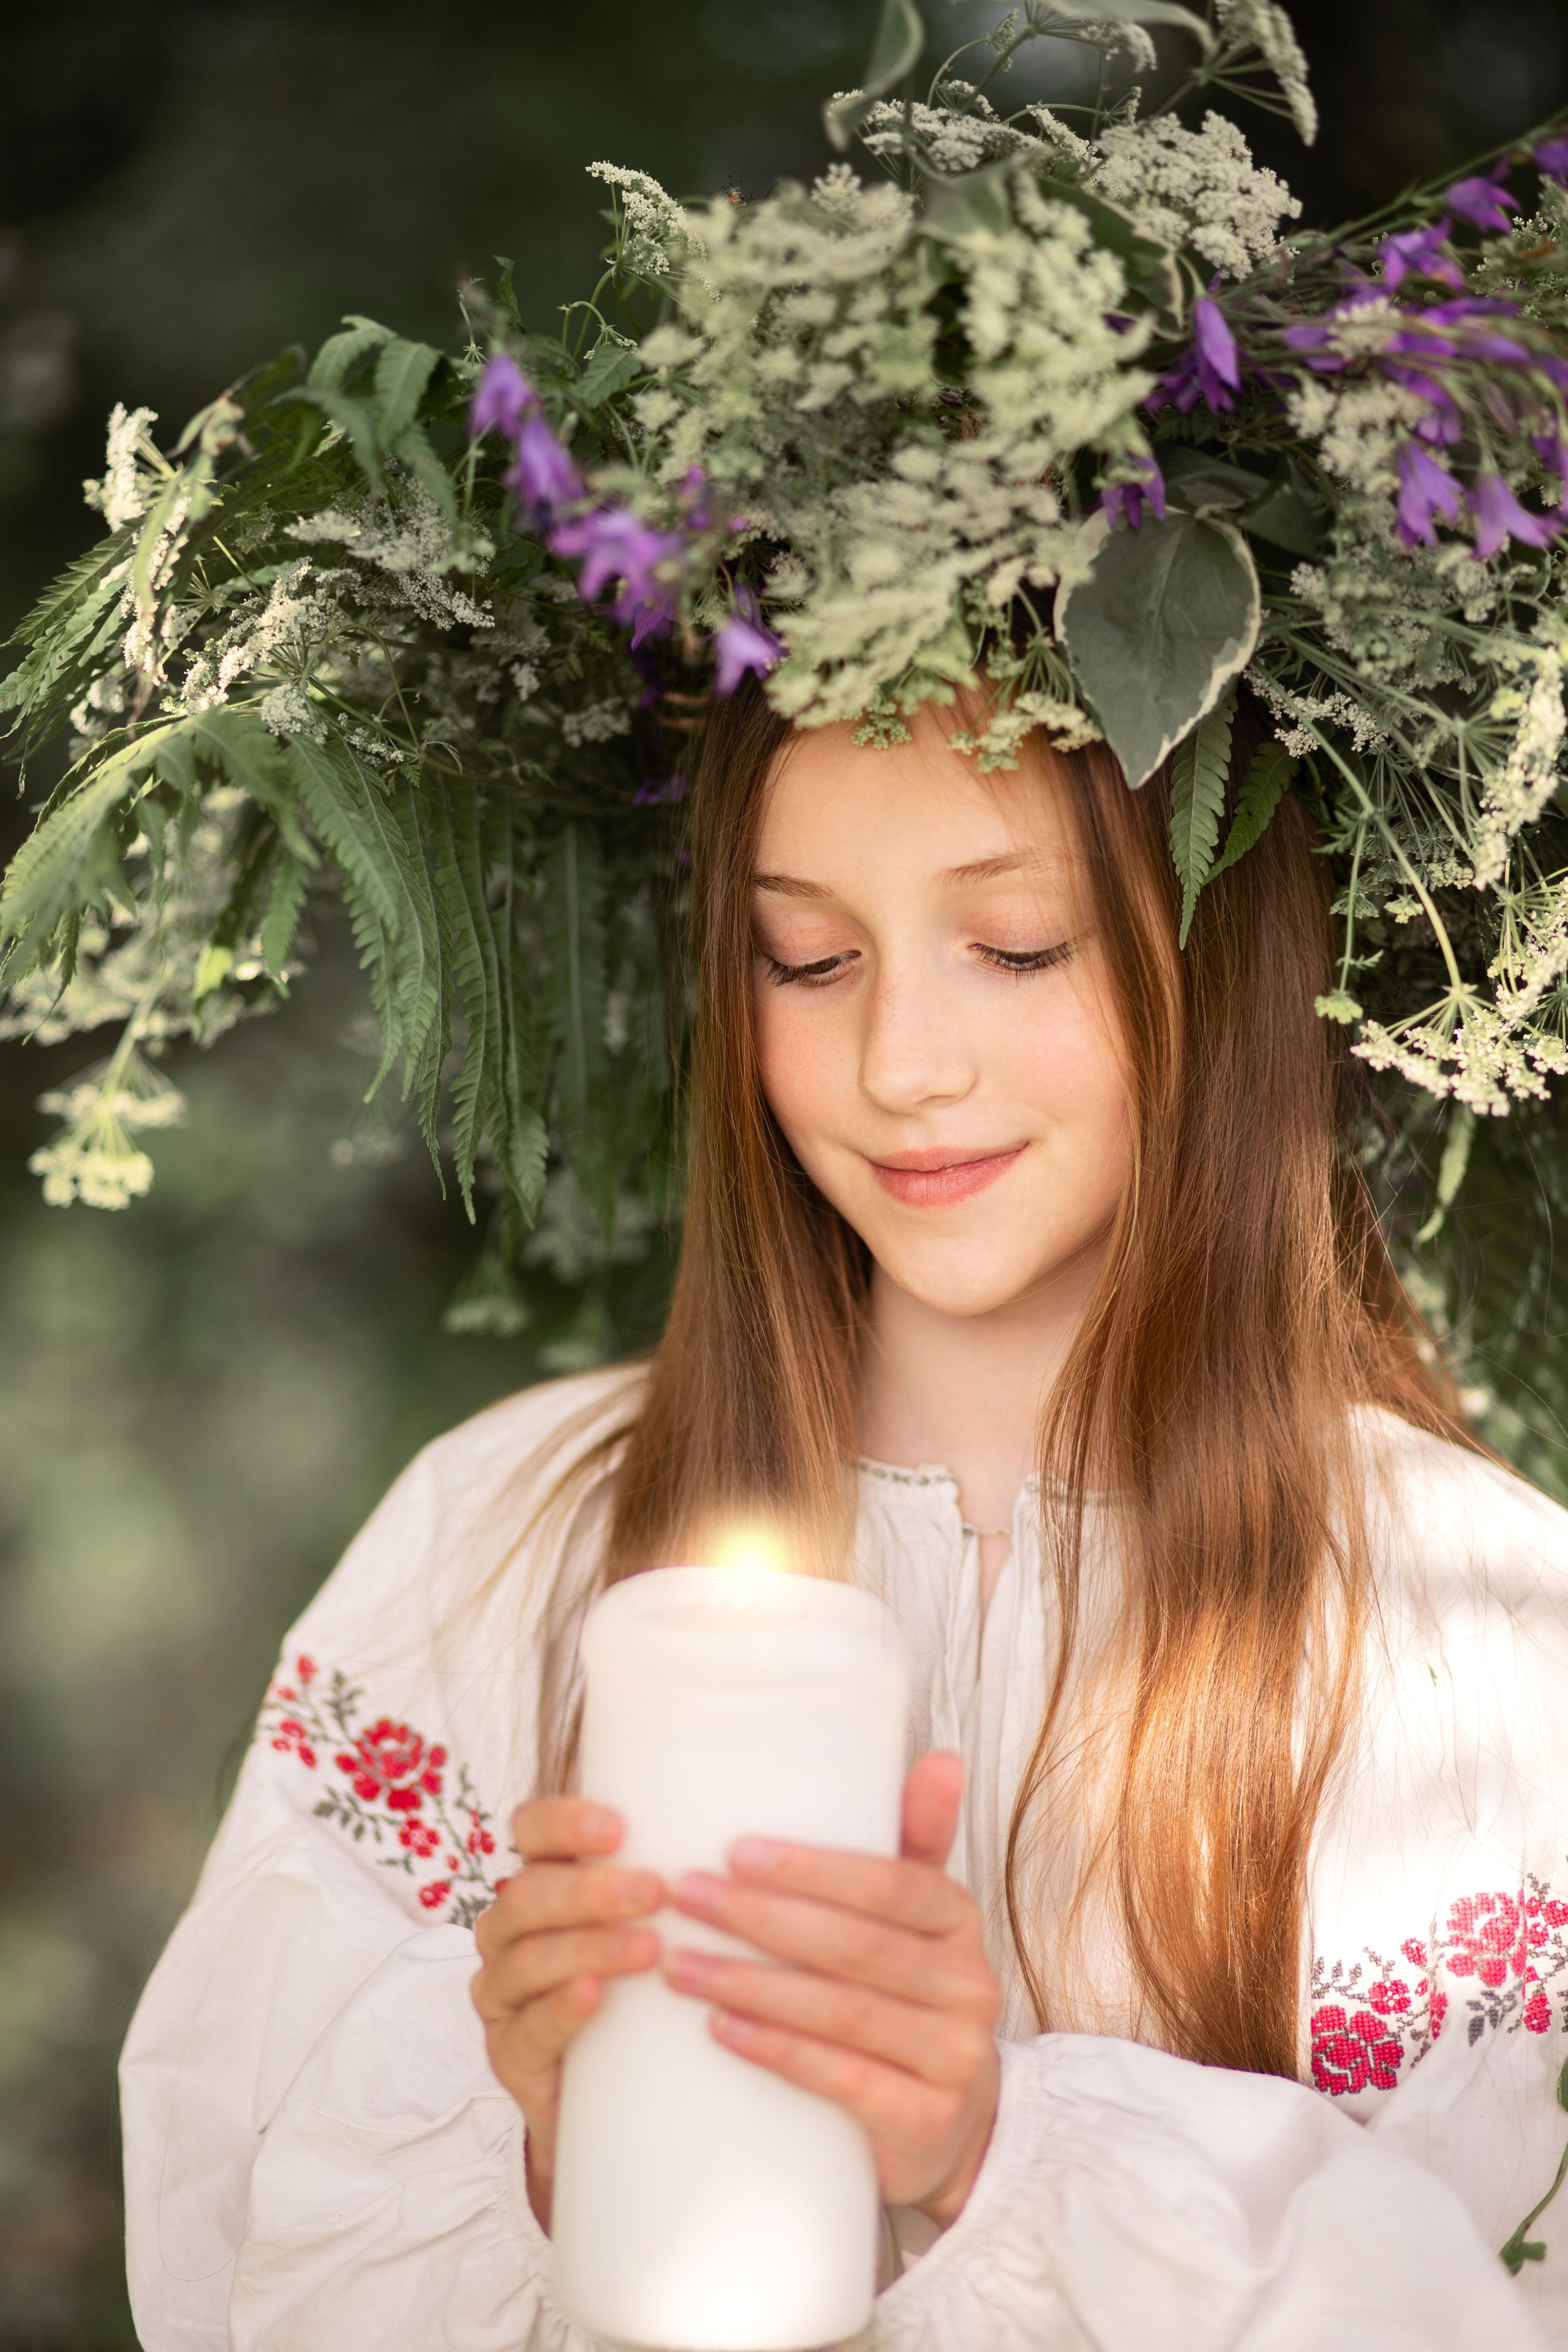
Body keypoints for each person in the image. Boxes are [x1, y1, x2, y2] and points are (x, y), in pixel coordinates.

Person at [121, 685, 1568, 2350]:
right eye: (808, 960)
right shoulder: (507, 1547)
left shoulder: (1483, 1639)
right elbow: (224, 2233)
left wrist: (995, 2154)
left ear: (1224, 949)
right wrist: (526, 2137)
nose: (900, 1065)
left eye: (1019, 946)